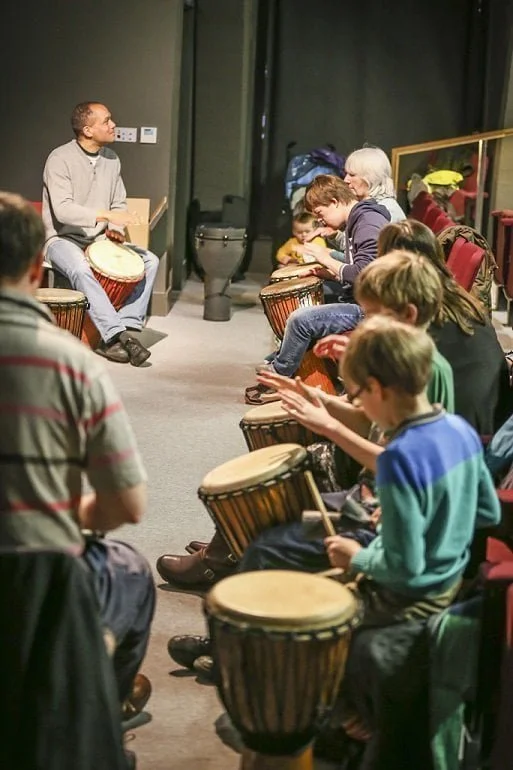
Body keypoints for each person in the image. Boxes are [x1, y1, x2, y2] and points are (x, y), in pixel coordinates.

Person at [168, 314, 499, 670]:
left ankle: (237, 658)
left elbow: (406, 566)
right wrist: (434, 523)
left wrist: (356, 558)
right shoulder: (456, 429)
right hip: (448, 579)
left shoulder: (400, 459)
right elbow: (488, 513)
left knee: (265, 547)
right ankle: (236, 642)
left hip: (407, 597)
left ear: (378, 389)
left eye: (355, 394)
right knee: (288, 523)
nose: (357, 405)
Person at [158, 250, 454, 592]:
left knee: (276, 502)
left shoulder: (425, 370)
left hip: (376, 502)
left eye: (372, 315)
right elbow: (373, 426)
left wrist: (329, 424)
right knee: (277, 471)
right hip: (369, 483)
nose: (364, 324)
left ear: (408, 314)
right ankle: (226, 550)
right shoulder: (402, 355)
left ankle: (227, 561)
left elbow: (396, 461)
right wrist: (318, 399)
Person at [0, 193, 155, 725]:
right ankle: (97, 700)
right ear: (35, 269)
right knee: (131, 572)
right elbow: (127, 505)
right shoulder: (69, 362)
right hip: (38, 572)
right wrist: (66, 516)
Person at [245, 175, 390, 405]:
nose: (322, 222)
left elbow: (366, 274)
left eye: (321, 214)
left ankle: (278, 375)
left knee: (301, 320)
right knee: (303, 321)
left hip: (373, 310)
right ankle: (280, 363)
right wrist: (328, 272)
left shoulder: (367, 222)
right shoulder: (358, 220)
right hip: (363, 301)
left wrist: (326, 257)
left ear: (334, 201)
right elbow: (359, 266)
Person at [42, 102, 160, 365]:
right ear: (87, 130)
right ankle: (115, 337)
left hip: (99, 239)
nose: (113, 125)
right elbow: (63, 211)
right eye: (106, 121)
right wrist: (106, 216)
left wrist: (116, 230)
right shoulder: (59, 159)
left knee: (150, 260)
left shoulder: (111, 159)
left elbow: (118, 203)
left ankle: (129, 327)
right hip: (61, 239)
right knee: (81, 268)